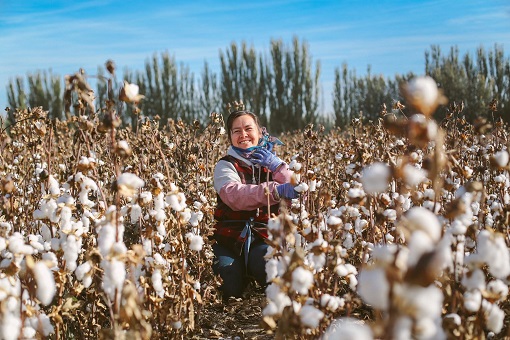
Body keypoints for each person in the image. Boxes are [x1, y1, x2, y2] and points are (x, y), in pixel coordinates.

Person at [212, 109, 299, 299]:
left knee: (270, 270)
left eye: (248, 129)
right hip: (230, 239)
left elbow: (302, 191)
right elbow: (234, 196)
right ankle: (239, 274)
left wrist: (279, 168)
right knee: (229, 286)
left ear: (260, 133)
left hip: (263, 236)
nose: (243, 135)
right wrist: (275, 190)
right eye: (236, 131)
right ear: (230, 137)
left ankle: (251, 271)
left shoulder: (274, 163)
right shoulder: (225, 165)